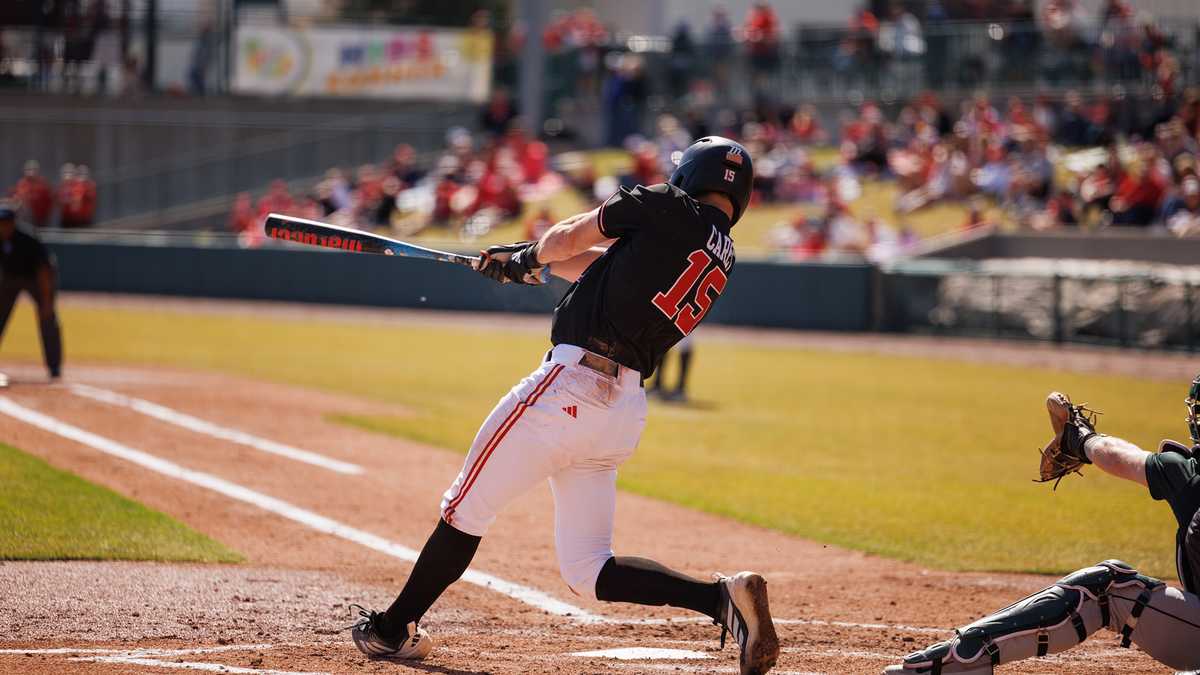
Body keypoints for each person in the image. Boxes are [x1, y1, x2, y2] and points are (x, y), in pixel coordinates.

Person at [348, 138, 780, 675]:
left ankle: (392, 629)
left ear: (690, 174)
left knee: (464, 509)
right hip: (621, 413)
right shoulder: (720, 251)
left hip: (569, 389)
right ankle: (720, 598)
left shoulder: (665, 203)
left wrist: (534, 255)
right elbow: (611, 268)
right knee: (587, 569)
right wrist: (532, 264)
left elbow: (577, 233)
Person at [883, 388, 1200, 675]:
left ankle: (961, 660)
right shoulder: (1185, 474)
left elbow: (1117, 456)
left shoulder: (1187, 476)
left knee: (1106, 588)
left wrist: (1081, 439)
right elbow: (1119, 456)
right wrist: (1083, 440)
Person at [0, 202, 62, 380]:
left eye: (6, 222)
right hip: (10, 279)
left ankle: (54, 367)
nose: (3, 226)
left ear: (13, 223)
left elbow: (44, 271)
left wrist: (47, 302)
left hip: (36, 280)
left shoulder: (28, 240)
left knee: (48, 318)